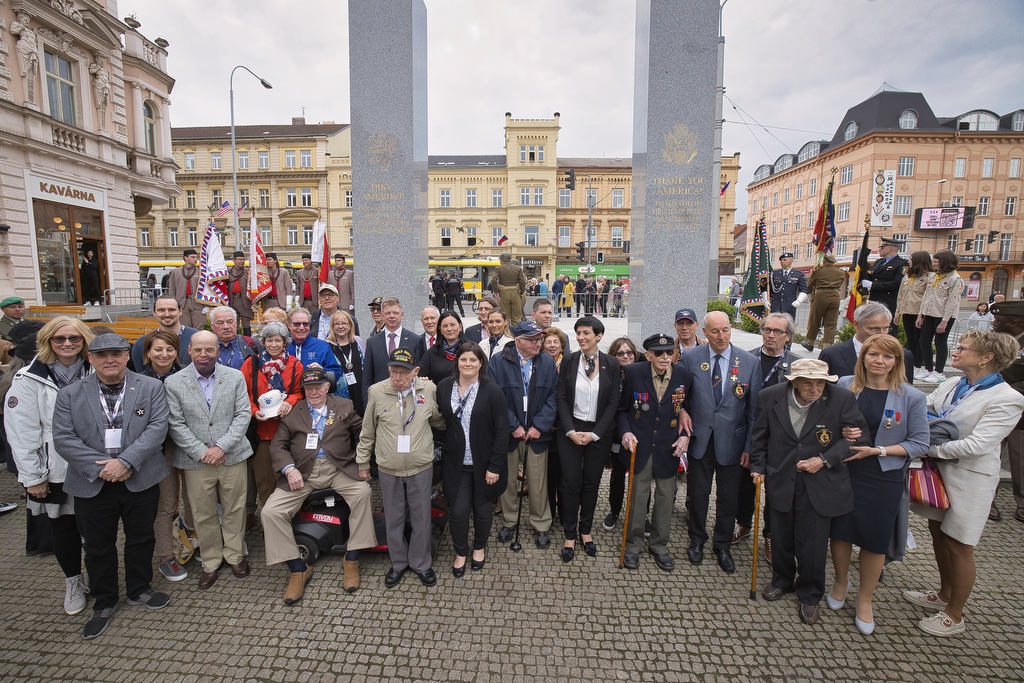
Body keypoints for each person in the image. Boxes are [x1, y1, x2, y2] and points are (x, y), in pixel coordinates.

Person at [52, 333, 171, 640]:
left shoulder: (151, 387)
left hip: (140, 477)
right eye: (102, 355)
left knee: (142, 537)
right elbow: (64, 438)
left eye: (116, 354)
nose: (110, 360)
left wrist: (126, 461)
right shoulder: (70, 394)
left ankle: (139, 588)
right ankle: (104, 600)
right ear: (90, 359)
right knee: (97, 545)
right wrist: (105, 467)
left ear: (126, 356)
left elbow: (157, 428)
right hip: (93, 481)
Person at [905, 330, 1024, 637]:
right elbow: (924, 409)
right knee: (938, 533)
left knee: (960, 544)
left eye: (963, 348)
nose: (955, 352)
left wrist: (926, 446)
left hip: (970, 480)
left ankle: (955, 614)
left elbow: (978, 445)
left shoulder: (1007, 399)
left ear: (987, 358)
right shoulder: (953, 383)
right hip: (938, 475)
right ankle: (944, 594)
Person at [748, 358, 868, 626]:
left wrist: (824, 460)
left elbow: (859, 439)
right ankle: (782, 579)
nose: (815, 389)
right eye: (808, 383)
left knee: (813, 542)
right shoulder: (770, 397)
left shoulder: (843, 399)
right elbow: (759, 436)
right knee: (780, 534)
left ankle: (810, 593)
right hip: (781, 476)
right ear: (794, 381)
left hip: (821, 481)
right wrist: (757, 466)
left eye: (820, 383)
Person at [829, 334, 930, 635]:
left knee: (874, 537)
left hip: (882, 474)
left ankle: (865, 598)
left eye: (887, 357)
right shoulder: (845, 385)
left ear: (896, 362)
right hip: (846, 471)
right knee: (842, 530)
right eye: (873, 354)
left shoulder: (911, 396)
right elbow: (828, 424)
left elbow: (920, 442)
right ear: (864, 357)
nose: (879, 361)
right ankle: (840, 582)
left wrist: (880, 451)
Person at [6, 318, 94, 615]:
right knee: (64, 528)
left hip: (95, 466)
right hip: (55, 469)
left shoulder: (95, 369)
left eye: (74, 339)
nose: (67, 344)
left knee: (96, 529)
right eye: (60, 339)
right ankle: (73, 581)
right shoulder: (29, 378)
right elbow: (22, 433)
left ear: (84, 341)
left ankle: (99, 578)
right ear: (47, 342)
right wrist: (33, 477)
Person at [266, 368, 376, 603]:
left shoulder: (344, 405)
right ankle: (298, 568)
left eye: (319, 387)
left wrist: (365, 459)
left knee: (363, 493)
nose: (314, 392)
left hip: (340, 468)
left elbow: (365, 432)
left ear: (327, 387)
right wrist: (289, 469)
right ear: (303, 390)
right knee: (271, 512)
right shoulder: (293, 412)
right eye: (309, 388)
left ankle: (352, 558)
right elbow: (277, 446)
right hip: (303, 472)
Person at [164, 331, 254, 590]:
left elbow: (242, 415)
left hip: (232, 455)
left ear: (217, 351)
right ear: (189, 350)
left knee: (235, 508)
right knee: (202, 513)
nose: (204, 355)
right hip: (196, 460)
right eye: (199, 350)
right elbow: (175, 423)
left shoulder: (234, 377)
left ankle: (235, 555)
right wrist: (201, 450)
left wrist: (221, 446)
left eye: (210, 350)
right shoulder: (174, 382)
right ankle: (211, 561)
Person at [679, 311, 761, 574]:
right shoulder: (691, 357)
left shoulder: (749, 362)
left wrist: (749, 446)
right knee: (698, 495)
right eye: (714, 331)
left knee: (728, 498)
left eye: (725, 330)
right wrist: (681, 410)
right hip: (701, 439)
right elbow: (680, 393)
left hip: (733, 443)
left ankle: (722, 544)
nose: (721, 336)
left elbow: (754, 411)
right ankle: (697, 540)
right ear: (704, 331)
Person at [356, 348, 445, 588]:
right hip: (388, 467)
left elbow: (438, 421)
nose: (397, 378)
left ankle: (421, 563)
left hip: (420, 466)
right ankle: (398, 563)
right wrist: (363, 462)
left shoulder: (428, 389)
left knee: (421, 517)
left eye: (403, 373)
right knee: (393, 517)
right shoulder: (376, 391)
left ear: (416, 372)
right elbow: (367, 431)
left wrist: (432, 410)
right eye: (393, 372)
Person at [619, 334, 692, 571]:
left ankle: (660, 545)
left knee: (665, 499)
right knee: (638, 498)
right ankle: (633, 544)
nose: (664, 357)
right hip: (640, 447)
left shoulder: (684, 376)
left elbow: (688, 409)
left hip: (668, 447)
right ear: (648, 354)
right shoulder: (633, 373)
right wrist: (626, 432)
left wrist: (685, 436)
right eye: (658, 353)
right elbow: (622, 409)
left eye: (669, 352)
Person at [436, 343, 508, 576]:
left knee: (483, 508)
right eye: (464, 359)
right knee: (457, 511)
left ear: (481, 363)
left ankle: (479, 547)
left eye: (473, 360)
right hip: (456, 464)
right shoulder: (444, 387)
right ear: (457, 361)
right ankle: (460, 551)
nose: (468, 364)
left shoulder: (492, 390)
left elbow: (502, 430)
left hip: (485, 464)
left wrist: (495, 465)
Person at [488, 321, 559, 549]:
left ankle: (541, 524)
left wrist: (539, 425)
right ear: (518, 341)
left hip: (537, 434)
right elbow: (494, 397)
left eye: (540, 339)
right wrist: (513, 426)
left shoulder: (547, 362)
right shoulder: (498, 361)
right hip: (509, 433)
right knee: (508, 480)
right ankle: (510, 520)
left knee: (538, 482)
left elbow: (555, 397)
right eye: (533, 340)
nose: (539, 343)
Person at [555, 316, 621, 562]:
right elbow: (561, 397)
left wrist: (595, 433)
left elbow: (613, 401)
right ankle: (569, 534)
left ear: (599, 336)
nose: (581, 338)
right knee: (571, 483)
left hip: (598, 432)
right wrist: (570, 430)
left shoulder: (611, 363)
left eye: (586, 333)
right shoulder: (569, 360)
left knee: (591, 483)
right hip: (570, 429)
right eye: (578, 333)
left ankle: (586, 531)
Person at [734, 313, 798, 563]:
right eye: (767, 330)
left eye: (777, 332)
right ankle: (742, 523)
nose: (771, 335)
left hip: (781, 437)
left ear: (788, 336)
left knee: (776, 488)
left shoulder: (796, 364)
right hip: (748, 431)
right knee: (744, 482)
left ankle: (771, 535)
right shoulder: (746, 357)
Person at [137, 329, 193, 583]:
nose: (164, 354)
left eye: (169, 349)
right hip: (159, 450)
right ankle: (165, 555)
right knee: (167, 504)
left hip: (189, 444)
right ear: (148, 353)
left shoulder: (187, 376)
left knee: (194, 499)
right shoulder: (137, 382)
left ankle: (195, 542)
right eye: (158, 349)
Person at [240, 321, 304, 519]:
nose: (274, 344)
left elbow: (299, 392)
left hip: (285, 430)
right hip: (261, 432)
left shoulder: (294, 364)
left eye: (278, 340)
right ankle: (271, 518)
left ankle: (291, 517)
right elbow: (242, 392)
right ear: (264, 342)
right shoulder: (252, 363)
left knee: (286, 478)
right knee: (264, 479)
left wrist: (291, 401)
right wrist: (252, 410)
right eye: (270, 340)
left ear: (285, 342)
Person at [820, 302, 914, 383]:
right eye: (874, 329)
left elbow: (906, 394)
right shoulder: (831, 355)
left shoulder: (903, 355)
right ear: (856, 324)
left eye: (886, 328)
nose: (881, 334)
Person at [990, 301, 1024, 523]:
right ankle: (987, 500)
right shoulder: (994, 341)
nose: (994, 323)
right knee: (989, 456)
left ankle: (1022, 503)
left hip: (1020, 413)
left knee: (1020, 458)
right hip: (992, 409)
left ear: (1014, 322)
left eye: (999, 320)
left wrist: (1006, 395)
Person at [602, 336, 640, 530]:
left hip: (639, 433)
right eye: (620, 353)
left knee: (641, 477)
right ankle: (614, 510)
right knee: (617, 475)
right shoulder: (609, 375)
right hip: (616, 433)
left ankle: (641, 514)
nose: (626, 356)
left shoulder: (643, 374)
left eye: (629, 352)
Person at [916, 249, 964, 383]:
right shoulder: (933, 276)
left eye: (936, 262)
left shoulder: (955, 279)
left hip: (944, 315)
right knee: (924, 341)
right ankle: (929, 369)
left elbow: (953, 301)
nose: (934, 264)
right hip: (929, 313)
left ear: (945, 262)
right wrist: (921, 315)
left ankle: (939, 372)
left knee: (940, 343)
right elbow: (926, 296)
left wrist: (944, 321)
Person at [361, 297, 418, 406]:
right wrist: (367, 406)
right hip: (381, 401)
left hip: (408, 400)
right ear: (382, 316)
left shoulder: (415, 340)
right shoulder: (372, 342)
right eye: (388, 313)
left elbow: (418, 374)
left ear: (402, 315)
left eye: (395, 313)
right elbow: (367, 379)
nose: (392, 316)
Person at [543, 326, 570, 521]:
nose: (552, 346)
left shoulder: (569, 364)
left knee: (564, 472)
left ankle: (564, 512)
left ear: (561, 345)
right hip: (545, 427)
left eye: (555, 342)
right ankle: (549, 511)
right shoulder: (540, 364)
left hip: (564, 425)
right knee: (548, 474)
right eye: (548, 342)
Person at [129, 295, 198, 372]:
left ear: (180, 311)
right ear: (154, 313)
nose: (167, 314)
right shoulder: (142, 343)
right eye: (161, 310)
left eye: (171, 310)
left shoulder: (196, 338)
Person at [895, 250, 935, 380]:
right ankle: (911, 364)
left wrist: (922, 314)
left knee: (920, 340)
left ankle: (919, 365)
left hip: (920, 312)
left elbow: (928, 297)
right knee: (910, 339)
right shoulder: (907, 276)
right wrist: (897, 313)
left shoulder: (930, 276)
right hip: (907, 311)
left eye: (911, 259)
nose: (909, 261)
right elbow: (901, 296)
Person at [285, 307, 343, 390]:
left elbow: (337, 373)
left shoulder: (322, 346)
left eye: (305, 324)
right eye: (297, 324)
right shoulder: (284, 347)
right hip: (290, 397)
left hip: (315, 395)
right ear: (289, 325)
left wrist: (322, 370)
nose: (301, 327)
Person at [862, 236, 909, 331]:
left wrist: (873, 285)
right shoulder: (878, 262)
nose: (880, 249)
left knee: (887, 329)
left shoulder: (901, 264)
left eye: (882, 248)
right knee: (873, 327)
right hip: (875, 299)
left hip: (889, 302)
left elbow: (896, 283)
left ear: (891, 248)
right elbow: (875, 278)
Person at [326, 311, 366, 414]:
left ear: (350, 326)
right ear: (332, 326)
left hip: (359, 392)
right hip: (339, 395)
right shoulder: (326, 345)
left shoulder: (358, 341)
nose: (340, 326)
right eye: (337, 324)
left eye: (344, 323)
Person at [803, 253, 845, 350]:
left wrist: (810, 295)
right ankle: (827, 347)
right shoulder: (840, 272)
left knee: (815, 320)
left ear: (824, 261)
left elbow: (809, 287)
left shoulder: (818, 272)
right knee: (831, 323)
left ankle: (810, 343)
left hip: (821, 296)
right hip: (835, 297)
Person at [418, 310, 466, 385]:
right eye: (445, 326)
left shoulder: (470, 350)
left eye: (453, 325)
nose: (449, 329)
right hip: (440, 395)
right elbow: (419, 375)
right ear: (440, 330)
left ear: (460, 326)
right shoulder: (433, 352)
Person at [209, 306, 258, 371]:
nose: (226, 327)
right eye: (220, 323)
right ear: (212, 326)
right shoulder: (203, 347)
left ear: (236, 323)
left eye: (230, 322)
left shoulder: (252, 344)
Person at [167, 249, 205, 329]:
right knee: (184, 327)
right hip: (182, 303)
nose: (195, 259)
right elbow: (172, 289)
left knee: (199, 327)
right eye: (193, 257)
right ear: (185, 258)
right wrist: (172, 304)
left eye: (196, 257)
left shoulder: (201, 272)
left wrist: (206, 305)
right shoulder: (175, 272)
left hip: (198, 303)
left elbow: (206, 288)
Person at [768, 252, 808, 319]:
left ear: (791, 260)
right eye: (781, 260)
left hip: (789, 305)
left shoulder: (798, 274)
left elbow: (804, 289)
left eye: (784, 260)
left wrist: (799, 301)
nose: (782, 262)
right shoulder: (774, 274)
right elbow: (768, 288)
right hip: (776, 306)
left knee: (788, 326)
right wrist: (766, 300)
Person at [491, 252, 527, 325]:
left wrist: (497, 292)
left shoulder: (498, 268)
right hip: (515, 292)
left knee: (505, 316)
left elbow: (493, 280)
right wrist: (521, 292)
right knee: (516, 317)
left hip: (504, 292)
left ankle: (506, 333)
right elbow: (522, 281)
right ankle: (516, 333)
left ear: (502, 260)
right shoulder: (518, 268)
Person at [226, 251, 253, 336]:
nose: (242, 261)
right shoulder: (228, 271)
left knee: (246, 322)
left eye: (243, 259)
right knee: (234, 322)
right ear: (234, 260)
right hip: (233, 300)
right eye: (239, 259)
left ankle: (247, 342)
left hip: (244, 300)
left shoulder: (248, 271)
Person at [328, 253, 356, 324]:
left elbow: (352, 289)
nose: (337, 262)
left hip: (346, 305)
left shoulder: (349, 274)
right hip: (334, 304)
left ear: (344, 262)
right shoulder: (331, 274)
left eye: (339, 260)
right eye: (336, 260)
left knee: (347, 322)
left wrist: (352, 303)